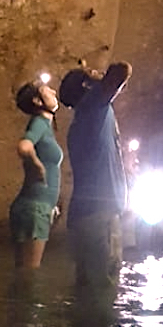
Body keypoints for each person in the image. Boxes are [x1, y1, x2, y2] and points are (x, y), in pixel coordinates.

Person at [58, 61, 132, 290]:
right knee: (104, 292)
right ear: (87, 87)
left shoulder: (82, 121)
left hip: (83, 218)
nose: (98, 73)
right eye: (92, 75)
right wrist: (95, 78)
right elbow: (122, 70)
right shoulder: (93, 107)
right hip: (100, 219)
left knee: (86, 291)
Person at [9, 78, 63, 268]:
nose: (54, 93)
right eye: (48, 91)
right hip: (34, 209)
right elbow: (24, 146)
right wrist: (37, 165)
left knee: (23, 273)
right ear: (38, 101)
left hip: (35, 207)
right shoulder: (40, 123)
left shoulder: (44, 126)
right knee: (29, 276)